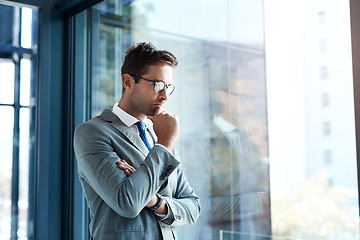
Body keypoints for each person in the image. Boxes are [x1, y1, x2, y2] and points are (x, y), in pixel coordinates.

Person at [73, 42, 200, 240]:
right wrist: (164, 144)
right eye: (158, 85)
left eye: (168, 87)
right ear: (128, 82)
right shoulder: (92, 133)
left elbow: (192, 207)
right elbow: (128, 202)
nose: (165, 96)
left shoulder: (160, 133)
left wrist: (155, 202)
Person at [182, 66, 270, 240]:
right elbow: (200, 206)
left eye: (254, 100)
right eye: (244, 98)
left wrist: (262, 148)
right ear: (222, 97)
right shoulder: (197, 142)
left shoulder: (255, 138)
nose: (251, 107)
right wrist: (257, 201)